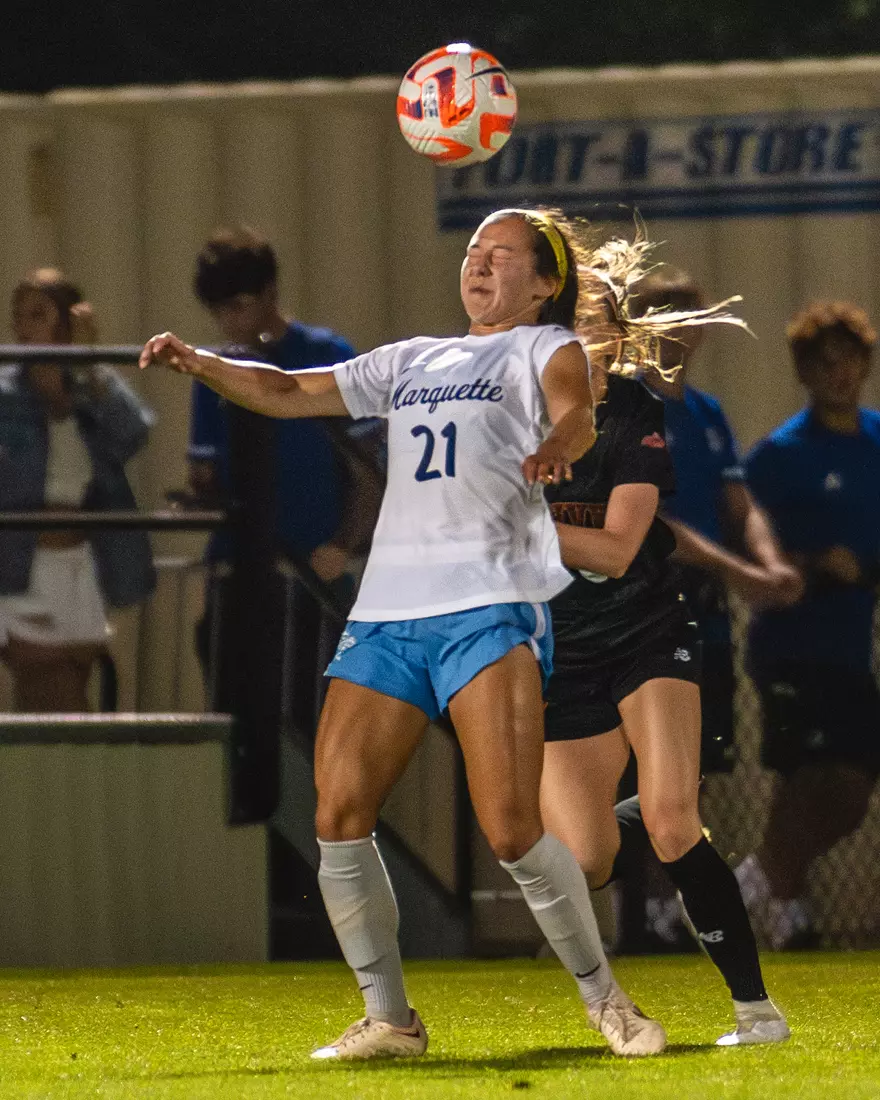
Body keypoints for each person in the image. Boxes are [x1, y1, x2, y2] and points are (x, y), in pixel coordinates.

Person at [141, 207, 668, 1060]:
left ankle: (608, 1001)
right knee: (338, 813)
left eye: (502, 254)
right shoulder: (413, 358)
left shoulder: (545, 348)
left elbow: (575, 415)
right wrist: (202, 363)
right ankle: (390, 1019)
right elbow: (290, 391)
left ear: (544, 283)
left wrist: (558, 447)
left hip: (488, 604)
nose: (479, 263)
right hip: (388, 612)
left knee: (510, 829)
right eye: (474, 251)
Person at [539, 257, 790, 1047]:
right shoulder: (511, 413)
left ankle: (757, 1012)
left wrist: (517, 524)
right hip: (563, 650)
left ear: (618, 338)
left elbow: (620, 549)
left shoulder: (635, 408)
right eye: (569, 328)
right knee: (586, 860)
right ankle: (637, 811)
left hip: (646, 628)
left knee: (674, 817)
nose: (584, 341)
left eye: (596, 327)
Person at [620, 269, 802, 949]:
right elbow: (650, 521)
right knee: (643, 766)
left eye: (689, 319)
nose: (680, 333)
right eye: (664, 318)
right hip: (641, 610)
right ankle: (638, 910)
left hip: (705, 618)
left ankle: (672, 908)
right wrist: (739, 572)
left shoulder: (706, 413)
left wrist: (769, 562)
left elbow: (738, 503)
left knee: (694, 767)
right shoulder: (626, 406)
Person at [737, 301, 880, 949]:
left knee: (847, 784)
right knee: (819, 778)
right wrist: (816, 563)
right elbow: (746, 550)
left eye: (849, 360)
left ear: (865, 365)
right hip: (791, 645)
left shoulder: (876, 443)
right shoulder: (780, 455)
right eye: (825, 363)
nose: (839, 373)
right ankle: (773, 900)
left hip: (851, 647)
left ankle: (759, 889)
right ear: (804, 372)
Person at [186, 226, 381, 696]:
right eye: (217, 311)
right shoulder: (215, 369)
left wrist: (343, 545)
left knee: (315, 709)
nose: (228, 323)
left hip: (315, 574)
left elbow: (369, 469)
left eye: (238, 307)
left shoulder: (327, 356)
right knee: (235, 706)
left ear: (270, 292)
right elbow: (203, 474)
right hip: (240, 573)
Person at [0, 267, 155, 711]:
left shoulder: (91, 382)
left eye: (38, 315)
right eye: (18, 316)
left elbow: (132, 435)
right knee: (42, 682)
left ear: (68, 321)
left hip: (83, 562)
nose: (24, 327)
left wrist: (87, 368)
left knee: (73, 684)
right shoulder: (6, 391)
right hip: (21, 565)